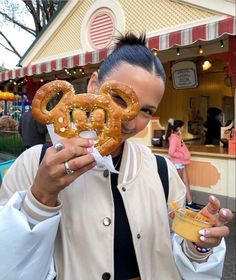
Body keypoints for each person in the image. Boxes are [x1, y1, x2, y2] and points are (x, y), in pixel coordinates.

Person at [0, 32, 233, 280]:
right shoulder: (33, 165)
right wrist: (41, 197)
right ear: (93, 85)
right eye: (118, 98)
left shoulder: (160, 170)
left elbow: (177, 251)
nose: (128, 120)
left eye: (146, 110)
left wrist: (199, 245)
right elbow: (10, 264)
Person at [165, 118, 201, 212]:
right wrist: (182, 155)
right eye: (183, 127)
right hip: (178, 164)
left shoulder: (177, 136)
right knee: (179, 184)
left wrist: (184, 152)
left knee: (186, 182)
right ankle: (178, 205)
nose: (184, 128)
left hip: (181, 163)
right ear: (178, 128)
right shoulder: (173, 137)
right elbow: (171, 152)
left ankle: (190, 203)